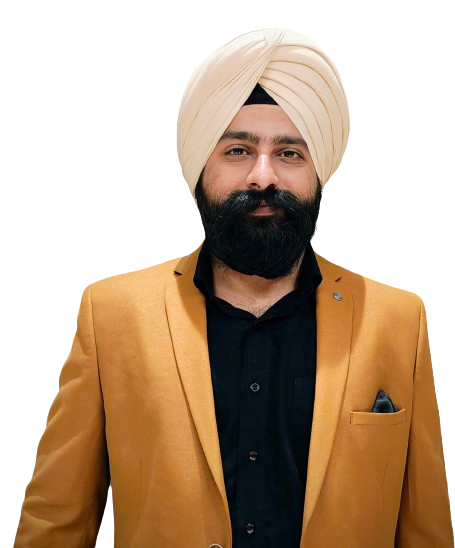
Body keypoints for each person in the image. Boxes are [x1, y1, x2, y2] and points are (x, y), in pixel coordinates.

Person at [14, 28, 453, 548]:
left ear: (319, 172)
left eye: (289, 153)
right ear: (200, 168)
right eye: (238, 150)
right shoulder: (111, 312)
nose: (263, 177)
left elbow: (426, 530)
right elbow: (57, 524)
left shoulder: (399, 320)